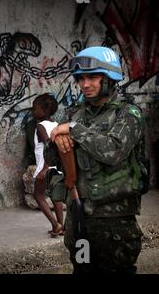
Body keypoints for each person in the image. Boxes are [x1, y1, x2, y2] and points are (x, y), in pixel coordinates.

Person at [50, 46, 147, 273]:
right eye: (81, 78)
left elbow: (113, 151)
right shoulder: (75, 113)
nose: (85, 84)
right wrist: (57, 142)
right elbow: (51, 157)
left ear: (110, 78)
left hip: (114, 222)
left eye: (93, 77)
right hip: (79, 216)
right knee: (82, 270)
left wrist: (73, 130)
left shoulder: (128, 113)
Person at [31, 93, 64, 237]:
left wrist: (44, 168)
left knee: (38, 195)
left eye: (35, 108)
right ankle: (61, 227)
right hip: (57, 167)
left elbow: (48, 147)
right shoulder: (57, 125)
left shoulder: (40, 127)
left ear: (44, 111)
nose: (33, 111)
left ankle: (55, 224)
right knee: (56, 195)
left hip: (45, 166)